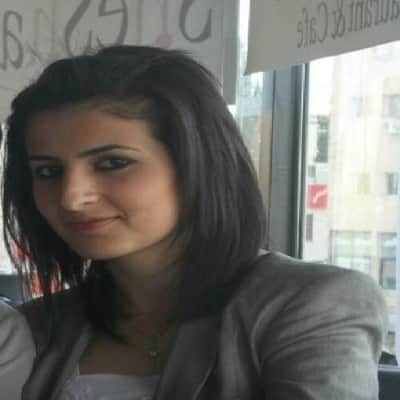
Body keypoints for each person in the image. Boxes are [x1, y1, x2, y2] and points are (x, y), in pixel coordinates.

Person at [0, 45, 387, 400]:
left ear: (198, 163)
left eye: (113, 163)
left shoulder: (309, 304)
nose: (71, 197)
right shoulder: (33, 329)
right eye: (48, 171)